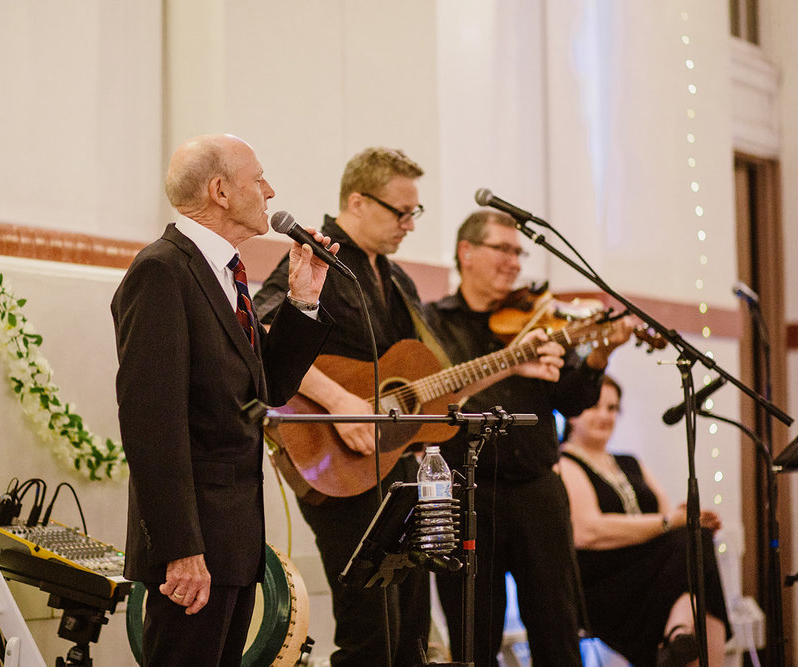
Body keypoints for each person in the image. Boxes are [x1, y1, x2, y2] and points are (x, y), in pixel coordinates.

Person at [253, 149, 566, 666]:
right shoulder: (321, 257)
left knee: (412, 631)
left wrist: (511, 365)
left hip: (394, 468)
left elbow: (435, 378)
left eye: (414, 213)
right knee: (370, 631)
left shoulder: (395, 278)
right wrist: (339, 404)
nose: (410, 225)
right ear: (358, 201)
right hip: (337, 465)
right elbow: (265, 332)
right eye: (402, 212)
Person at [111, 133, 334, 667]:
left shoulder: (226, 272)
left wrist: (303, 300)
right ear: (220, 191)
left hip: (233, 541)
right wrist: (181, 549)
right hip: (195, 549)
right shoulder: (163, 270)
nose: (271, 190)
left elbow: (268, 389)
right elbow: (151, 426)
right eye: (258, 179)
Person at [423, 208, 635, 665]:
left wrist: (599, 355)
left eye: (519, 252)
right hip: (466, 494)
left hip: (538, 492)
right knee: (473, 634)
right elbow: (435, 401)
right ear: (467, 253)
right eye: (504, 249)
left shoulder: (535, 320)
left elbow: (574, 398)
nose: (516, 262)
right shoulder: (432, 322)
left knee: (557, 630)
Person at [559, 375, 730, 667]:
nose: (604, 415)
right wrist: (671, 521)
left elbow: (666, 516)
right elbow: (588, 531)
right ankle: (677, 635)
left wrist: (688, 518)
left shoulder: (630, 462)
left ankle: (678, 637)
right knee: (695, 556)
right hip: (604, 580)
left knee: (697, 541)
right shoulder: (564, 463)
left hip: (650, 573)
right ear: (573, 413)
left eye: (612, 408)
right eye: (595, 406)